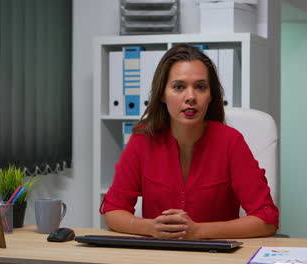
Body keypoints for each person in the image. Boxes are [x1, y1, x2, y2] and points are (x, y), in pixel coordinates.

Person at [100, 44, 278, 239]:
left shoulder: (230, 142)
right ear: (162, 95)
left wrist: (198, 231)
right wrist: (151, 228)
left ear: (211, 96)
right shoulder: (143, 140)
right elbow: (113, 211)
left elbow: (267, 219)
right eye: (179, 87)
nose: (191, 97)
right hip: (158, 256)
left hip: (214, 257)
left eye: (200, 87)